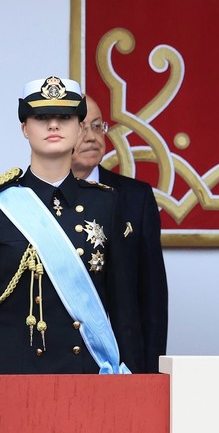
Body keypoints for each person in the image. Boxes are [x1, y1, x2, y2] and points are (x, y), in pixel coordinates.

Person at [0, 76, 139, 373]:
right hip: (14, 376)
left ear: (79, 128)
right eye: (42, 118)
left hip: (87, 374)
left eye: (64, 117)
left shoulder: (107, 204)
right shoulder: (4, 203)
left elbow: (124, 309)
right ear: (25, 128)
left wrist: (131, 381)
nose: (53, 125)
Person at [72, 94, 168, 373]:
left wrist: (151, 372)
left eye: (97, 126)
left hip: (124, 364)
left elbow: (152, 298)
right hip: (56, 361)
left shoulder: (136, 197)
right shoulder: (33, 199)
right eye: (81, 128)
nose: (92, 137)